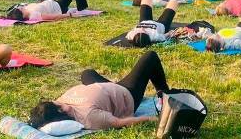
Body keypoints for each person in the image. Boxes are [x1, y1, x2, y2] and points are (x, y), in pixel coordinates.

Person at [27, 51, 168, 130]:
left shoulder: (58, 103)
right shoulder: (89, 117)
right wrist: (152, 118)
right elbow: (120, 122)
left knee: (87, 73)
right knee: (150, 57)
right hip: (127, 94)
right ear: (60, 116)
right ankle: (166, 96)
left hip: (105, 88)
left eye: (57, 104)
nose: (62, 104)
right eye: (61, 108)